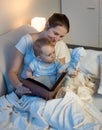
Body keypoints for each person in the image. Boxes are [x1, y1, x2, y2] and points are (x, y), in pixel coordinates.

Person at [8, 13, 79, 96]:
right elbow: (12, 72)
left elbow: (60, 72)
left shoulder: (60, 44)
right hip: (29, 87)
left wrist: (70, 72)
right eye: (55, 33)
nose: (57, 39)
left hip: (49, 88)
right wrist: (19, 86)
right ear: (47, 25)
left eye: (61, 36)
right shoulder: (26, 41)